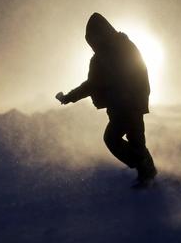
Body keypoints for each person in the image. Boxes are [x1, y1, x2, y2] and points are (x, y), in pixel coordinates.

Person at [56, 13, 157, 185]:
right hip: (123, 106)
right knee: (135, 141)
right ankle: (147, 171)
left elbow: (139, 73)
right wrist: (69, 97)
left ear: (102, 34)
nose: (93, 43)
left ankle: (145, 172)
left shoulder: (119, 49)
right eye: (90, 40)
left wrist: (135, 99)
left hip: (128, 105)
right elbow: (93, 84)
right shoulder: (108, 54)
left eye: (94, 38)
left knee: (114, 139)